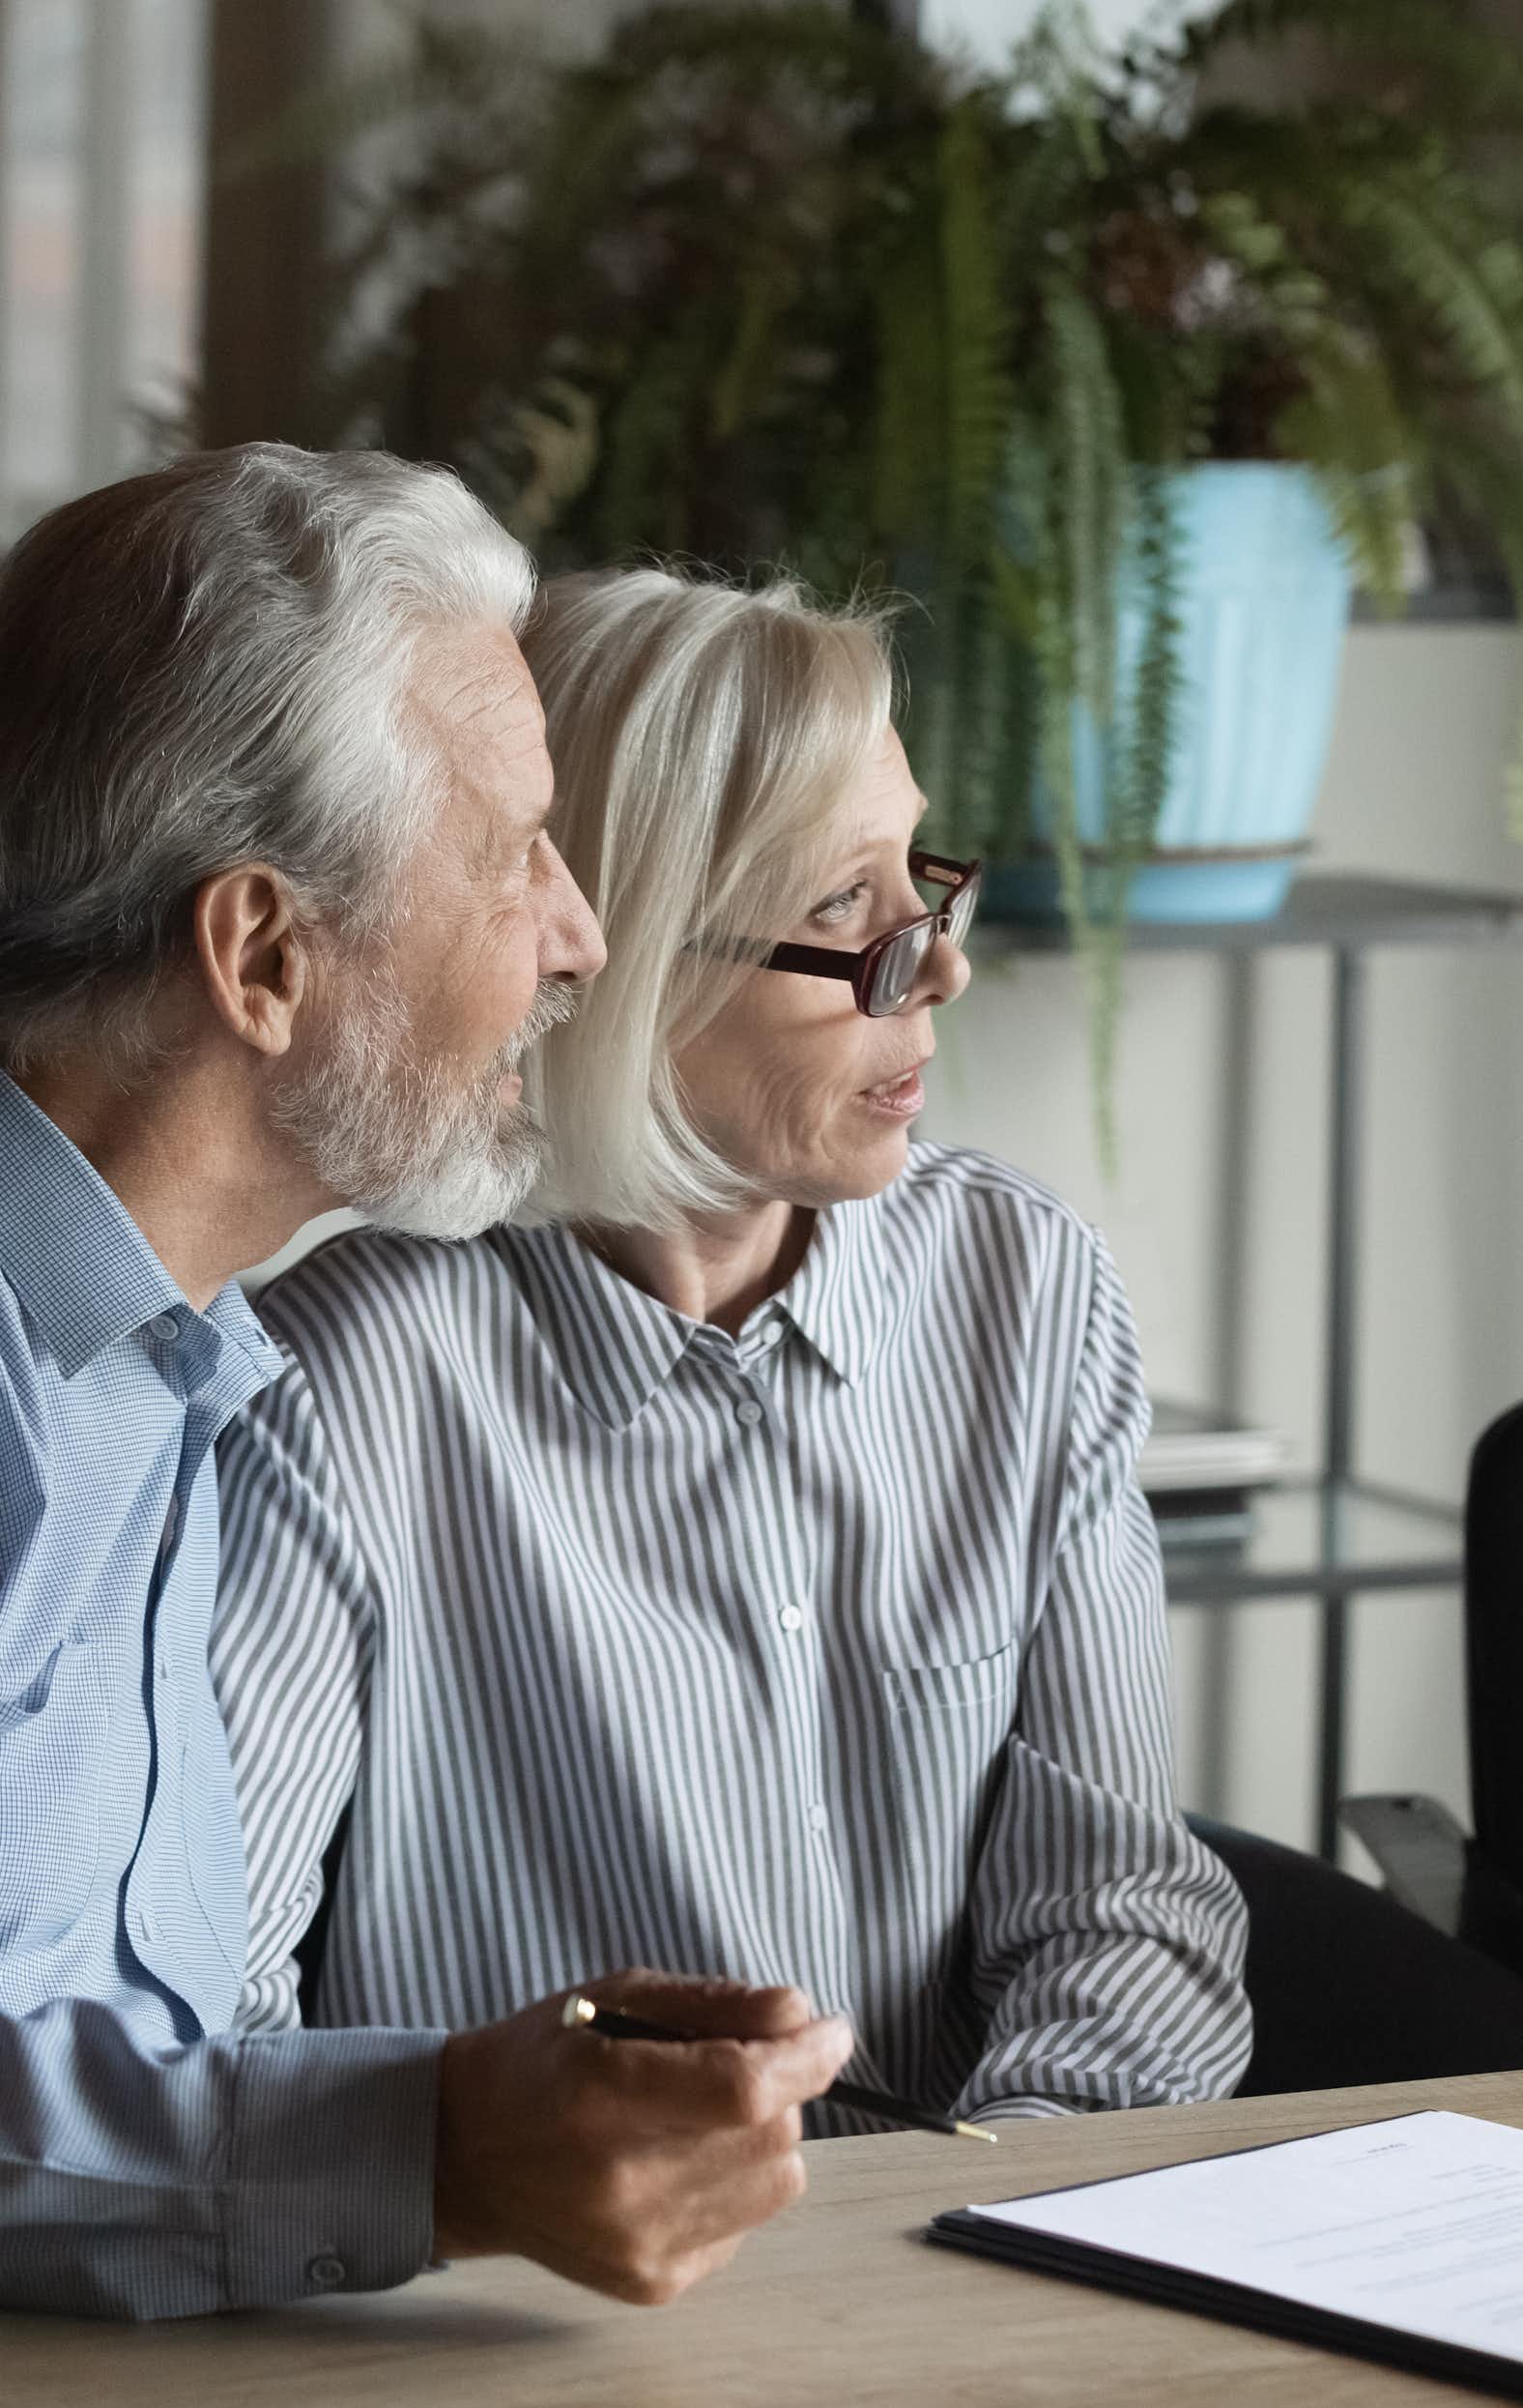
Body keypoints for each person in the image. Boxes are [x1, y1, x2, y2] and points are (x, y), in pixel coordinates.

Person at [213, 566, 1250, 2127]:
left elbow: (1124, 1918)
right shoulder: (333, 1394)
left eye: (921, 875)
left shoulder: (1018, 1290)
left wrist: (980, 2204)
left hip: (984, 2262)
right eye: (846, 907)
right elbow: (215, 2029)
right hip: (558, 2307)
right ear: (614, 954)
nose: (941, 965)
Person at [0, 447, 853, 2321]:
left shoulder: (179, 1360)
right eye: (510, 853)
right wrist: (437, 2143)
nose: (578, 932)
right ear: (264, 952)